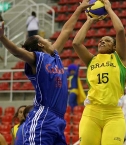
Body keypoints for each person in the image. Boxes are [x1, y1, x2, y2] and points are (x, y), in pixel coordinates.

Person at [0, 0, 93, 144]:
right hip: (43, 116)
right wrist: (2, 37)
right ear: (40, 44)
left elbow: (66, 31)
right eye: (43, 38)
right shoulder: (37, 58)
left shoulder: (54, 56)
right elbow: (17, 52)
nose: (47, 39)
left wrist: (79, 9)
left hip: (59, 119)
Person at [72, 0, 126, 144]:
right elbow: (76, 43)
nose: (102, 42)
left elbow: (120, 30)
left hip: (113, 114)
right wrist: (89, 21)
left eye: (107, 41)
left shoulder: (120, 58)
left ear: (115, 47)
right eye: (100, 40)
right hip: (91, 113)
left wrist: (108, 8)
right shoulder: (91, 60)